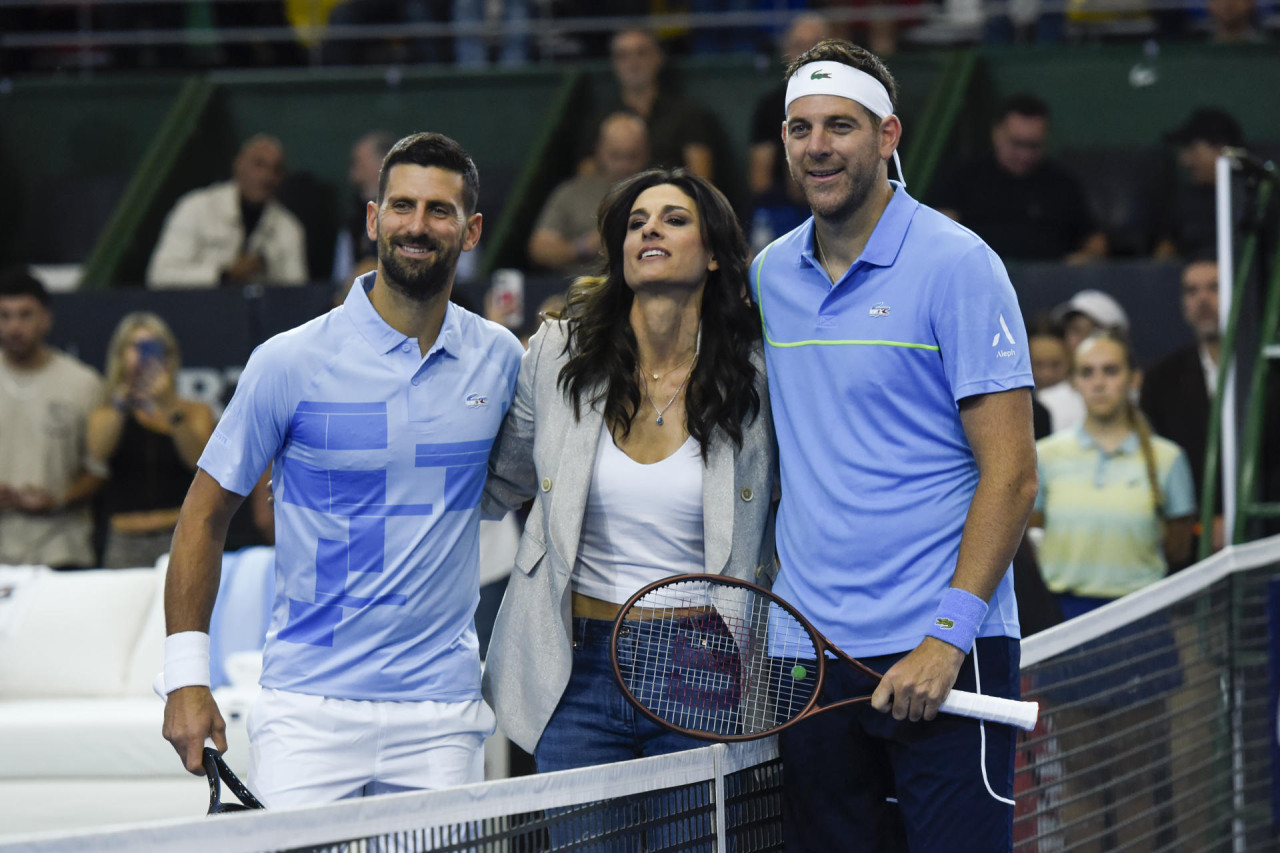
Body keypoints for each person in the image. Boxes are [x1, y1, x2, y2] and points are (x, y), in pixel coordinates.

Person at [160, 133, 524, 807]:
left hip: (440, 715)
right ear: (372, 218)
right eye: (403, 206)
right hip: (307, 709)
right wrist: (185, 677)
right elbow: (203, 515)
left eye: (439, 211)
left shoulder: (502, 360)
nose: (418, 225)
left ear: (471, 230)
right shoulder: (287, 360)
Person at [751, 40, 1038, 851]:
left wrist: (946, 637)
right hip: (810, 661)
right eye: (800, 128)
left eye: (840, 125)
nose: (818, 146)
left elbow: (1012, 475)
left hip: (943, 654)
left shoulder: (959, 264)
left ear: (888, 136)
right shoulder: (769, 276)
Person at [482, 167, 777, 775]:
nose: (651, 231)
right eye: (637, 223)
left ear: (716, 254)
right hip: (574, 665)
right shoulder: (559, 354)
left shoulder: (759, 374)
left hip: (706, 662)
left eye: (674, 220)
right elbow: (499, 480)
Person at [1031, 330, 1194, 849]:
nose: (1099, 382)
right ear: (1075, 385)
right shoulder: (1047, 456)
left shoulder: (1167, 461)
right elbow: (1030, 533)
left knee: (1134, 780)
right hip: (1068, 630)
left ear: (1132, 379)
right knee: (1078, 779)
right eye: (1088, 372)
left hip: (1140, 626)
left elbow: (1178, 550)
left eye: (1111, 370)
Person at [86, 313, 215, 569]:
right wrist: (123, 402)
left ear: (168, 356)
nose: (144, 357)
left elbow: (200, 462)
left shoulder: (193, 411)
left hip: (178, 534)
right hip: (125, 538)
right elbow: (98, 454)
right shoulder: (107, 412)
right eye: (135, 347)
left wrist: (168, 407)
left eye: (152, 347)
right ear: (120, 355)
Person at [0, 268, 104, 570]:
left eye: (24, 315)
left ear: (46, 319)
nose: (13, 326)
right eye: (4, 316)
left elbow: (99, 470)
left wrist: (57, 499)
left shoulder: (83, 383)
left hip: (61, 550)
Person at [932, 93, 1107, 264]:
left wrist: (1081, 261)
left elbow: (1095, 240)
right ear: (997, 134)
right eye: (1017, 143)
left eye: (1033, 146)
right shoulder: (963, 178)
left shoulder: (1062, 183)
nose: (1025, 155)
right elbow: (940, 233)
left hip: (1050, 284)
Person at [146, 135, 308, 288]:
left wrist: (266, 268)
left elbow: (296, 293)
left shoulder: (289, 228)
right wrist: (224, 274)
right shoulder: (196, 207)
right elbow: (160, 275)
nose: (266, 176)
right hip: (197, 310)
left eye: (276, 169)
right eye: (259, 165)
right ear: (239, 165)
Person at [1140, 259, 1223, 552]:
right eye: (1192, 291)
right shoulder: (1161, 379)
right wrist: (1201, 522)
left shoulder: (1267, 371)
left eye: (1214, 288)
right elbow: (1156, 460)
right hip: (1190, 542)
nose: (1203, 300)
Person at [580, 28, 720, 182]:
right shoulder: (598, 119)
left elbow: (701, 181)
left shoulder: (689, 115)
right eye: (623, 55)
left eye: (641, 52)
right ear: (613, 63)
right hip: (617, 202)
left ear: (659, 57)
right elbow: (587, 183)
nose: (633, 63)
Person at [746, 13, 833, 252]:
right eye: (799, 46)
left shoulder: (851, 101)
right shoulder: (772, 105)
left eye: (816, 45)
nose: (808, 55)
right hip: (786, 209)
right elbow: (759, 180)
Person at [527, 112, 649, 277]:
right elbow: (540, 249)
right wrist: (584, 247)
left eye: (632, 157)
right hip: (584, 289)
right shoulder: (573, 193)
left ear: (646, 152)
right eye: (615, 156)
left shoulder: (661, 193)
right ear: (599, 151)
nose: (623, 166)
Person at [1154, 106, 1245, 260]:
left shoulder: (1255, 200)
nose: (1185, 161)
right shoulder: (1182, 201)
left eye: (1192, 149)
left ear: (1220, 149)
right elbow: (1163, 256)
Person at [333, 130, 397, 286]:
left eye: (359, 165)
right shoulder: (353, 228)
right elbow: (341, 284)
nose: (354, 178)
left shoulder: (418, 222)